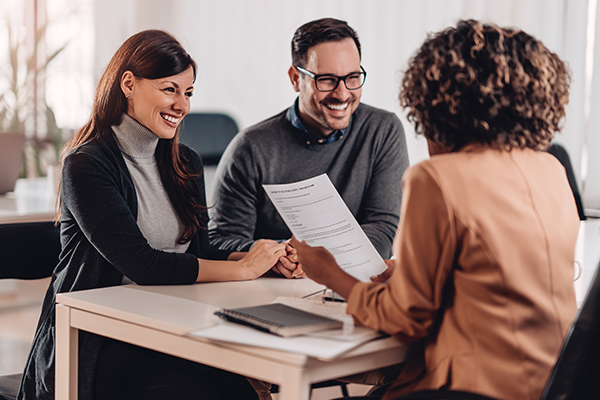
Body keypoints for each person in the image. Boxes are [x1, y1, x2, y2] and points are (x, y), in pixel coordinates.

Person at [291, 19, 579, 400]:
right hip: (552, 385)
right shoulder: (550, 169)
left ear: (440, 100)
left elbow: (405, 320)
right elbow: (498, 277)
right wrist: (416, 273)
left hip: (471, 389)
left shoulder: (438, 177)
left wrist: (330, 273)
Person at [17, 30, 287, 400]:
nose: (182, 105)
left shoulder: (186, 163)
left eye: (188, 93)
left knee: (247, 389)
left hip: (170, 322)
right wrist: (242, 269)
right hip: (98, 339)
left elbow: (198, 255)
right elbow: (143, 265)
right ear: (129, 84)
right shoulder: (86, 165)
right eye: (169, 89)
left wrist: (263, 258)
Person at [208, 17, 409, 278]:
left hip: (350, 284)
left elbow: (384, 227)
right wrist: (279, 254)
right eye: (326, 80)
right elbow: (220, 240)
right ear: (295, 79)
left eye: (352, 77)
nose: (342, 93)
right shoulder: (250, 148)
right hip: (271, 290)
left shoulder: (383, 130)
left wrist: (316, 256)